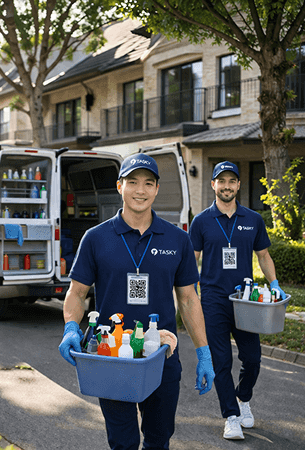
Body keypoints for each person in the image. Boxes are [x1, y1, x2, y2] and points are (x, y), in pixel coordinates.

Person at [58, 153, 215, 450]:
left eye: (148, 183)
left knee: (158, 440)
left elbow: (189, 299)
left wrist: (204, 351)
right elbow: (77, 293)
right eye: (132, 182)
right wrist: (70, 327)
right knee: (123, 443)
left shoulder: (177, 240)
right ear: (120, 187)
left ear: (156, 189)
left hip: (161, 356)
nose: (140, 190)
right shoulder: (95, 238)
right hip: (112, 355)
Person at [188, 161, 285, 440]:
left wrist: (274, 284)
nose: (227, 186)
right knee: (221, 361)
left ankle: (243, 399)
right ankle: (230, 416)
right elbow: (192, 261)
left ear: (239, 185)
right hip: (213, 299)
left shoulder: (253, 219)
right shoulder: (201, 221)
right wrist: (189, 293)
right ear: (213, 185)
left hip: (245, 300)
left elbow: (263, 256)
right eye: (222, 181)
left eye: (232, 181)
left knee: (252, 358)